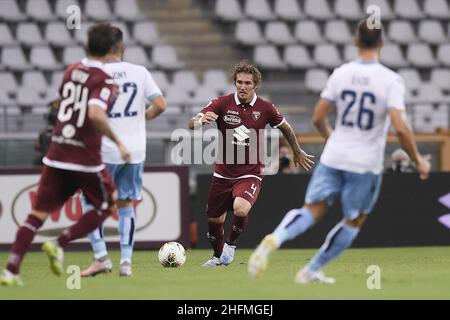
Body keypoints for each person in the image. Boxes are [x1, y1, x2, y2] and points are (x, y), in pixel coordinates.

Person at [248, 18, 431, 283]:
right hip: (364, 164)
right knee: (354, 220)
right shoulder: (391, 80)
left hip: (334, 156)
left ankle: (274, 239)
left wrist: (332, 139)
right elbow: (401, 129)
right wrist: (418, 161)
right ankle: (310, 270)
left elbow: (318, 116)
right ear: (381, 43)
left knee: (310, 210)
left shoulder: (341, 73)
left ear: (356, 42)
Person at [0, 23, 130, 286]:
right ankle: (58, 244)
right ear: (115, 49)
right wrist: (119, 143)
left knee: (36, 215)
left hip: (57, 152)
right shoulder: (105, 79)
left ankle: (11, 270)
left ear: (86, 45)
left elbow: (64, 103)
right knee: (107, 205)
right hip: (84, 159)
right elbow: (94, 113)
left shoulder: (71, 71)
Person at [188, 61, 315, 267]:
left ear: (255, 84)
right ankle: (218, 256)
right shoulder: (221, 103)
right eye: (239, 82)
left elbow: (285, 127)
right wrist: (199, 122)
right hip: (223, 173)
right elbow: (192, 123)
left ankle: (230, 245)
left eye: (247, 83)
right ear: (235, 83)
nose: (243, 86)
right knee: (214, 221)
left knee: (240, 208)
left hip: (250, 172)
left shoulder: (265, 108)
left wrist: (296, 149)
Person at [80, 26, 166, 277]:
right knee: (126, 204)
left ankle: (101, 257)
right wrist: (142, 118)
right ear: (122, 48)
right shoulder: (139, 72)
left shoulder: (94, 73)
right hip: (135, 150)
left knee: (90, 202)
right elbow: (160, 104)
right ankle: (126, 262)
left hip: (103, 150)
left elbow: (91, 114)